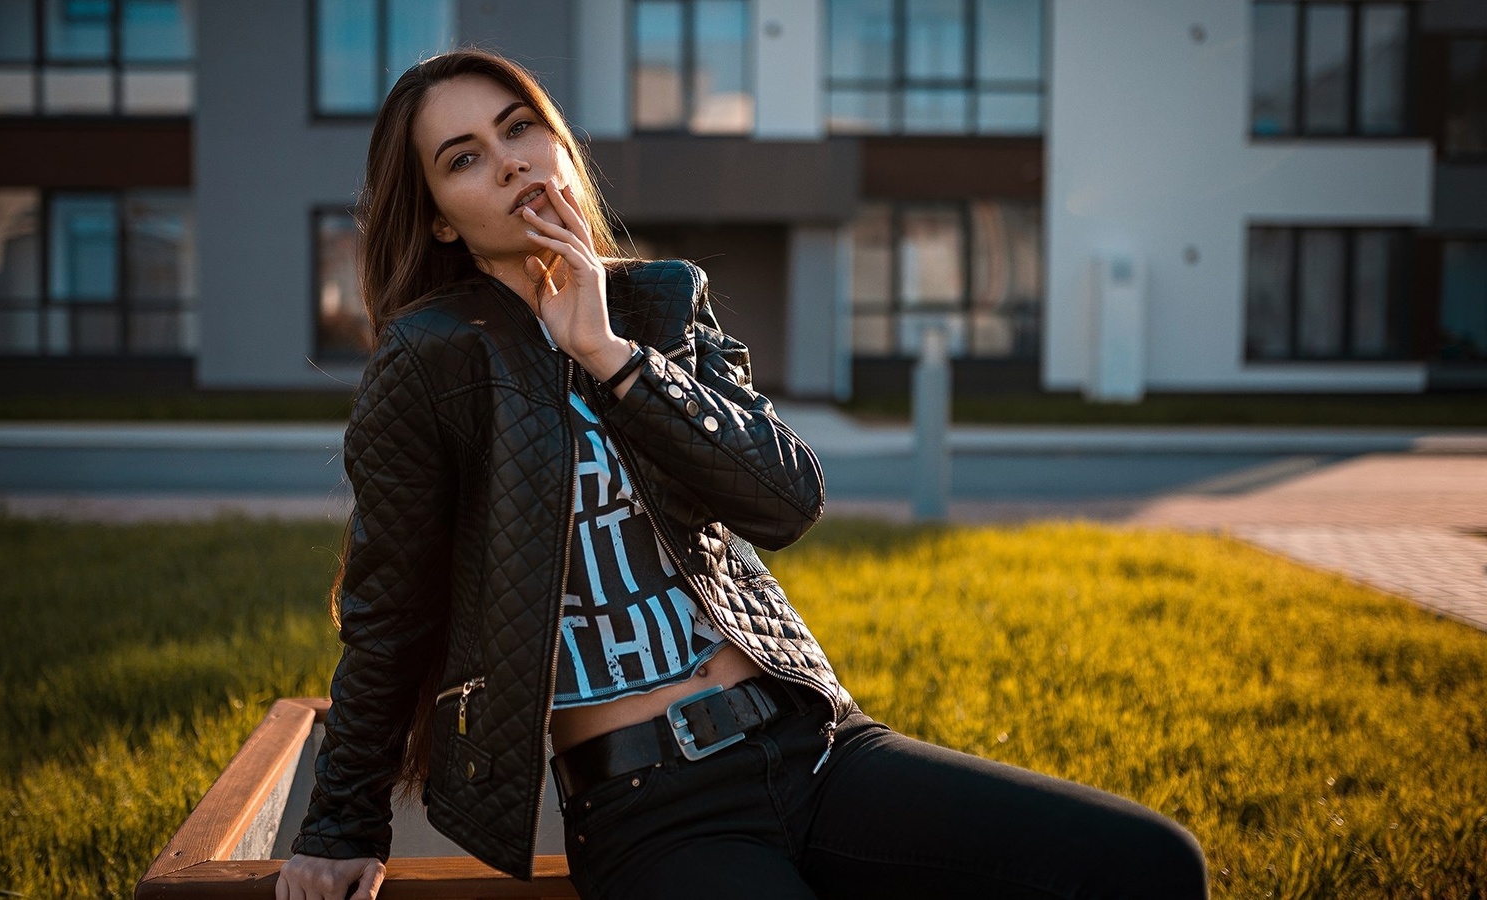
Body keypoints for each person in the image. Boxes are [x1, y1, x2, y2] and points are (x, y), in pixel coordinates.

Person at [276, 48, 1209, 900]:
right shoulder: (432, 358)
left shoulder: (665, 303)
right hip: (652, 809)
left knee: (1148, 866)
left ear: (560, 147)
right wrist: (342, 821)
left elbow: (784, 500)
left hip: (812, 746)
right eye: (465, 156)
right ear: (440, 217)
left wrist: (612, 357)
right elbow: (389, 607)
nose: (512, 161)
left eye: (520, 128)